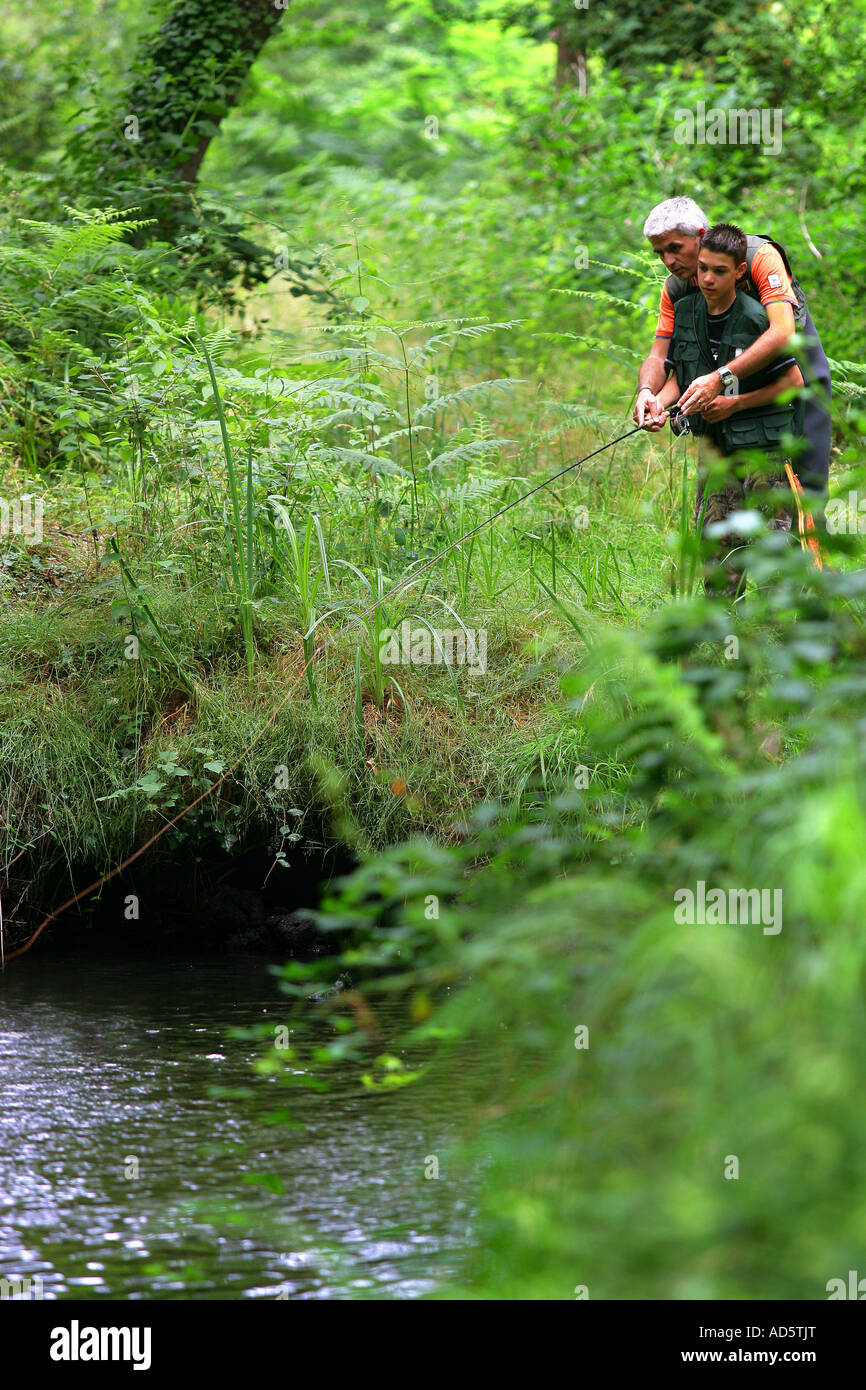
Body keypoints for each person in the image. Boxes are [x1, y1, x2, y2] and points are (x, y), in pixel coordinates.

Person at [647, 222, 805, 597]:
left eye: (719, 271)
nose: (707, 279)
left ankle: (781, 639)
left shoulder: (756, 317)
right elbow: (680, 376)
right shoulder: (686, 310)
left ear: (739, 272)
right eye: (702, 269)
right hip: (716, 450)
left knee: (774, 545)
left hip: (763, 448)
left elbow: (794, 382)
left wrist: (734, 402)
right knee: (715, 547)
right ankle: (720, 639)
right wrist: (658, 401)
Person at [633, 196, 831, 495]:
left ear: (700, 236)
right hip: (727, 376)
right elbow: (659, 355)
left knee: (804, 483)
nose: (668, 262)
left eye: (675, 248)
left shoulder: (759, 257)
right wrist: (650, 395)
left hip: (793, 364)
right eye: (660, 253)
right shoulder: (675, 287)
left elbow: (783, 332)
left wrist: (720, 378)